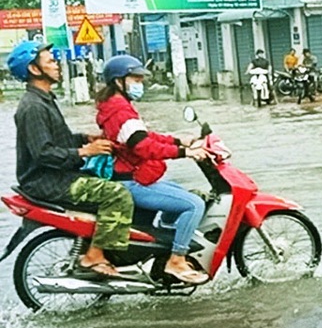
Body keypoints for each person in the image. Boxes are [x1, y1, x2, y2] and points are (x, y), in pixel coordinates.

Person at [9, 41, 134, 278]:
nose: (57, 65)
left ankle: (98, 247)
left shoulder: (45, 99)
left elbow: (59, 140)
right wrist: (86, 151)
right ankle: (94, 256)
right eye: (50, 61)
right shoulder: (32, 107)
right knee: (118, 195)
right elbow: (44, 153)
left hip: (59, 175)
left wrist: (85, 138)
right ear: (34, 69)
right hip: (48, 181)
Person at [95, 55, 210, 284]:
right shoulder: (120, 110)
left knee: (178, 190)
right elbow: (144, 147)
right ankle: (177, 259)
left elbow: (145, 136)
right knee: (194, 204)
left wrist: (179, 140)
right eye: (136, 79)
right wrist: (184, 153)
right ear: (119, 81)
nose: (140, 84)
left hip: (128, 176)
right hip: (131, 181)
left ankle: (163, 245)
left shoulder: (117, 106)